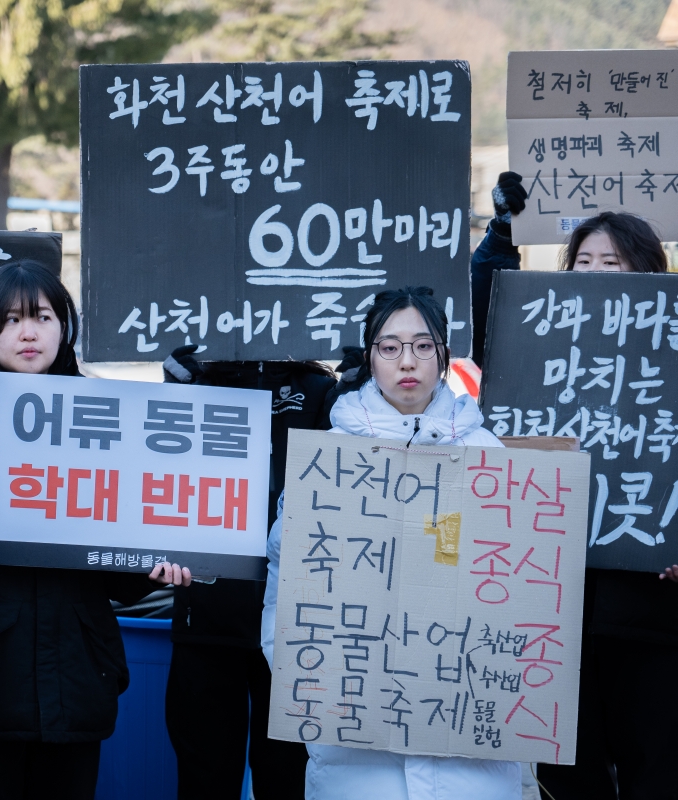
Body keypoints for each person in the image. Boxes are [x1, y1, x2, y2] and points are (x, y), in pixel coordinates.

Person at [0, 261, 192, 800]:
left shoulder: (108, 416)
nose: (28, 333)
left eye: (42, 316)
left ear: (64, 327)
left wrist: (154, 567)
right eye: (10, 320)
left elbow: (117, 572)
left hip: (78, 670)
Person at [261, 286, 522, 800]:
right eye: (390, 346)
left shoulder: (490, 459)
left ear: (444, 356)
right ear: (370, 355)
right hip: (355, 754)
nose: (408, 361)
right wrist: (314, 680)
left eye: (424, 346)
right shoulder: (327, 461)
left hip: (470, 753)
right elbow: (285, 597)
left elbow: (521, 594)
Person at [475, 191, 678, 800]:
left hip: (655, 618)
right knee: (568, 775)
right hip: (556, 616)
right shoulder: (542, 345)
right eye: (581, 263)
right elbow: (492, 306)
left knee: (658, 772)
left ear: (649, 276)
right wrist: (501, 235)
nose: (592, 275)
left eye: (610, 264)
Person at [162, 345, 336, 799]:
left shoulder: (319, 389)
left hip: (295, 623)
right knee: (204, 774)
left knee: (286, 777)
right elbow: (163, 477)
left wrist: (354, 396)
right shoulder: (197, 377)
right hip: (206, 614)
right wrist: (173, 396)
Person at [469, 174, 667, 368]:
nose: (593, 270)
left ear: (644, 268)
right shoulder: (545, 326)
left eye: (610, 262)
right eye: (584, 260)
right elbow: (489, 324)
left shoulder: (667, 334)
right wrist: (502, 238)